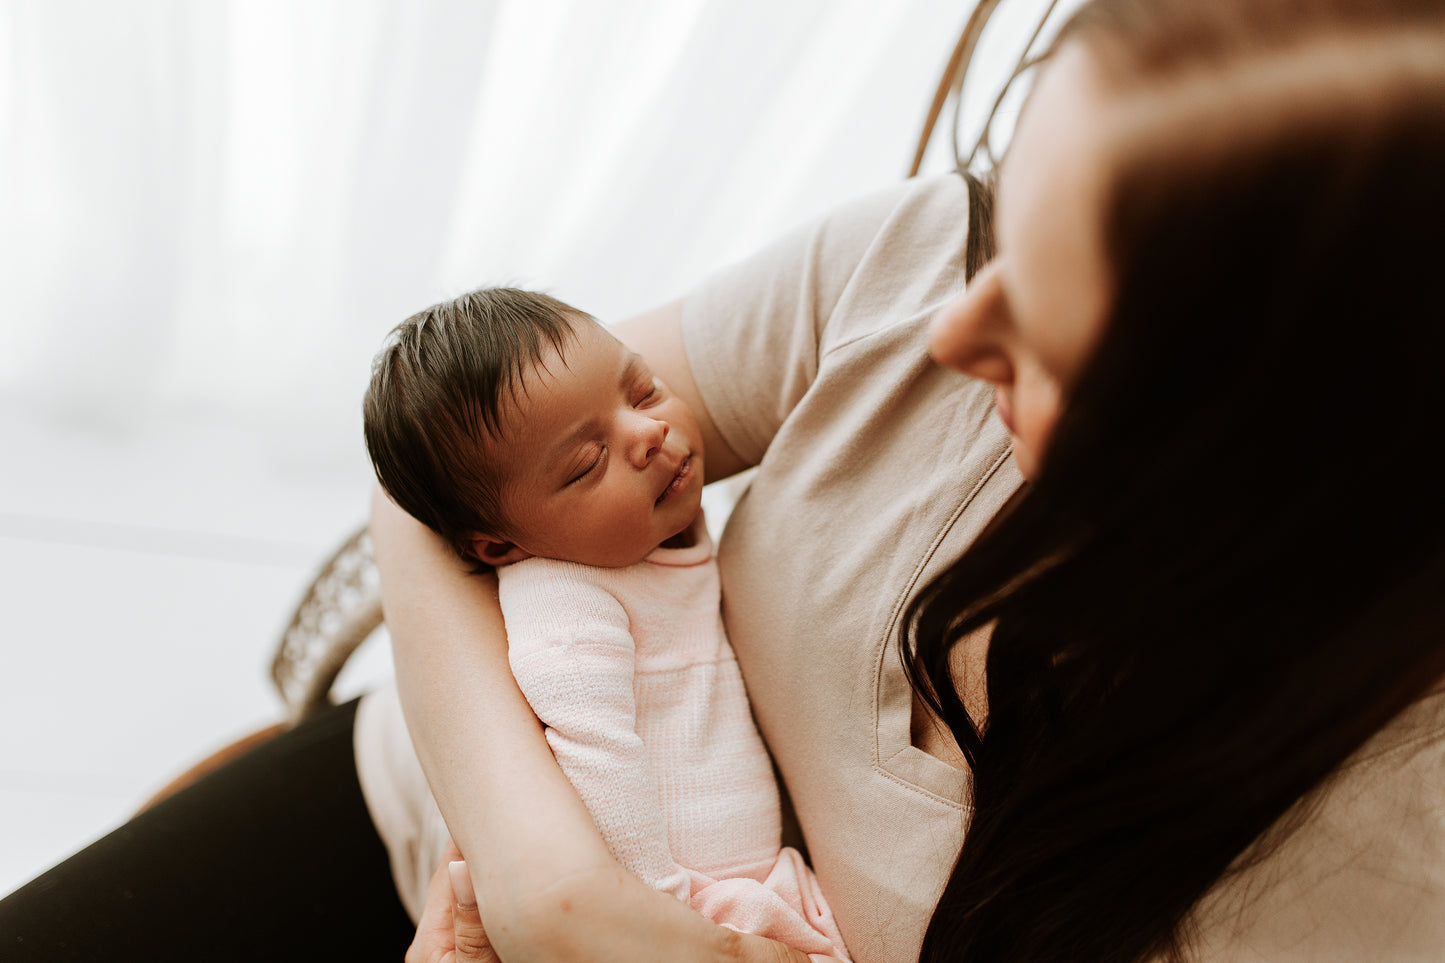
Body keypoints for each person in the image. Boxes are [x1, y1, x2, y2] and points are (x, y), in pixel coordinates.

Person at [3, 0, 1442, 959]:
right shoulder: (915, 258)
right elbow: (433, 471)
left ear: (1261, 463)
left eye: (1045, 331)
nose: (951, 330)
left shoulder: (1372, 872)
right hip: (416, 797)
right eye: (1000, 228)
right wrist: (555, 895)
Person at [359, 288, 849, 959]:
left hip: (737, 881)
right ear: (501, 545)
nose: (648, 433)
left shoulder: (650, 534)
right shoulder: (566, 599)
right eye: (587, 463)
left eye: (644, 390)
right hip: (686, 899)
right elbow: (598, 761)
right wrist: (662, 908)